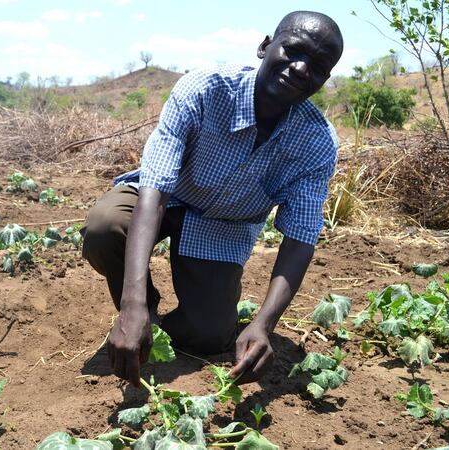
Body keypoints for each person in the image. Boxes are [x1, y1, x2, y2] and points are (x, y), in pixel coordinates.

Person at [80, 11, 344, 386]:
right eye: (294, 50)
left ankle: (164, 325)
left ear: (324, 79)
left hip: (222, 225)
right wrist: (132, 303)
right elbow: (155, 192)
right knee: (105, 226)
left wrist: (264, 324)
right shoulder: (205, 88)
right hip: (166, 199)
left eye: (318, 66)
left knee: (208, 336)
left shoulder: (316, 141)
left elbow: (300, 238)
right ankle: (142, 315)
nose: (302, 68)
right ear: (266, 46)